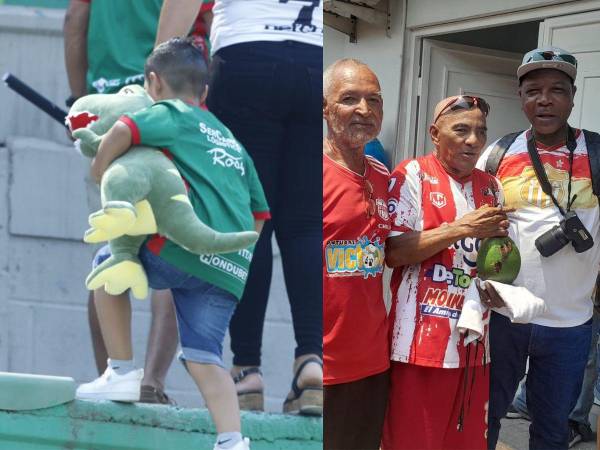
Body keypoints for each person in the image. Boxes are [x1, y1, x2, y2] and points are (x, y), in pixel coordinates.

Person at [76, 38, 269, 450]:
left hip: (182, 250)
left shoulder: (170, 113)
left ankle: (121, 372)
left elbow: (125, 129)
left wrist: (99, 168)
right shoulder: (232, 140)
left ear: (153, 83)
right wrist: (237, 259)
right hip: (230, 265)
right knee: (205, 356)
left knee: (108, 260)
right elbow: (259, 213)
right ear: (205, 92)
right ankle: (233, 440)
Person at [154, 0, 323, 413]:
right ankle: (311, 361)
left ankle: (247, 370)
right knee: (305, 226)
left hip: (246, 54)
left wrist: (157, 76)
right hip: (315, 59)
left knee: (250, 220)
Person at [63, 0, 212, 404]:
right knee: (169, 241)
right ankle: (153, 383)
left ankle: (115, 373)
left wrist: (79, 104)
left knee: (114, 245)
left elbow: (76, 18)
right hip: (169, 102)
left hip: (108, 106)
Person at [477, 47, 600, 450]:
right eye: (533, 91)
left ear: (573, 96)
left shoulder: (597, 153)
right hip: (503, 317)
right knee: (486, 419)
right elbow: (473, 223)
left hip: (570, 322)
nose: (544, 99)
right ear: (521, 97)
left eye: (556, 90)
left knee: (551, 432)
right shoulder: (498, 152)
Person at [382, 95, 511, 450]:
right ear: (435, 133)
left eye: (480, 132)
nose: (473, 140)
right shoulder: (411, 174)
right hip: (418, 348)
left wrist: (500, 282)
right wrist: (461, 227)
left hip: (474, 347)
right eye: (462, 130)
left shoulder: (491, 186)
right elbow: (393, 252)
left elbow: (496, 261)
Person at [322, 59, 390, 450]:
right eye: (349, 99)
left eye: (373, 100)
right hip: (324, 368)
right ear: (326, 109)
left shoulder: (384, 176)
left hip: (372, 364)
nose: (364, 110)